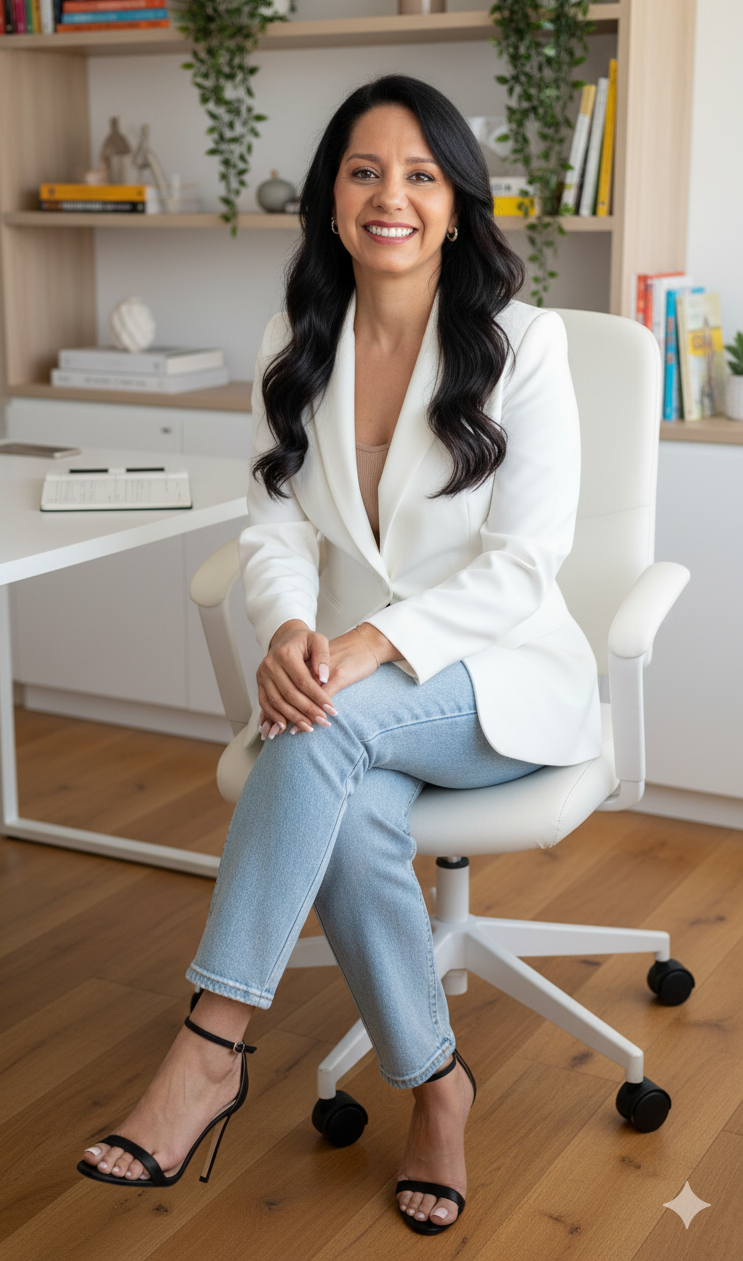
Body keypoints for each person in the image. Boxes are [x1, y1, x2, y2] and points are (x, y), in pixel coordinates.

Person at [78, 74, 601, 1235]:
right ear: (330, 200)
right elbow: (273, 523)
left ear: (457, 204)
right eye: (365, 171)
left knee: (317, 729)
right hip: (359, 682)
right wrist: (288, 630)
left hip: (499, 678)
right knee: (350, 801)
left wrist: (366, 642)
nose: (391, 197)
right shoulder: (295, 337)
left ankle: (210, 1051)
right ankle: (438, 1091)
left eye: (421, 175)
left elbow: (527, 562)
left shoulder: (526, 344)